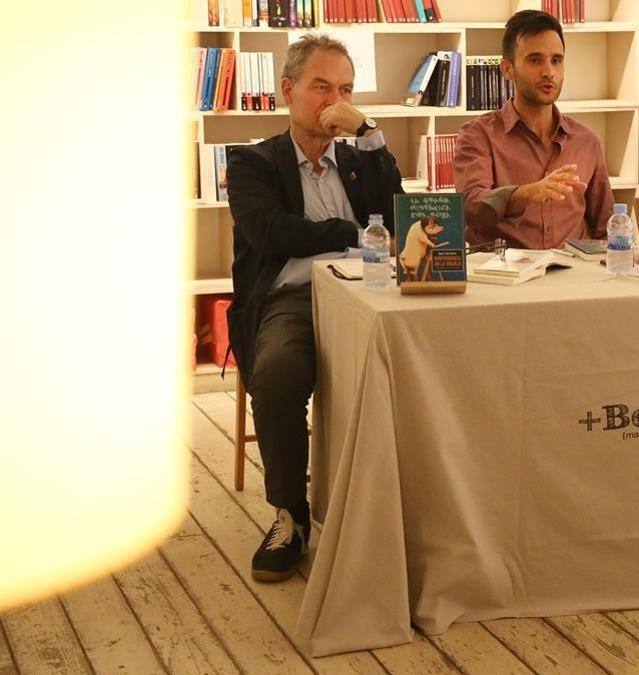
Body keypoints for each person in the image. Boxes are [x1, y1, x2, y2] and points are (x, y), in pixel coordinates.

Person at [225, 34, 403, 582]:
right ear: (287, 91)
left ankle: (410, 509)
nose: (335, 102)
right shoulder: (252, 162)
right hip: (295, 298)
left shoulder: (358, 159)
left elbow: (397, 214)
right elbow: (273, 232)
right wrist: (353, 232)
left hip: (373, 291)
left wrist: (370, 133)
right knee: (277, 375)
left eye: (346, 90)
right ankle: (291, 513)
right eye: (321, 87)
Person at [454, 10, 615, 249]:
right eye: (535, 60)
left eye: (556, 60)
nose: (549, 71)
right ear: (507, 69)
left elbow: (605, 227)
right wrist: (526, 194)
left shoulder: (586, 140)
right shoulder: (478, 135)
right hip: (505, 275)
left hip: (574, 275)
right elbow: (471, 208)